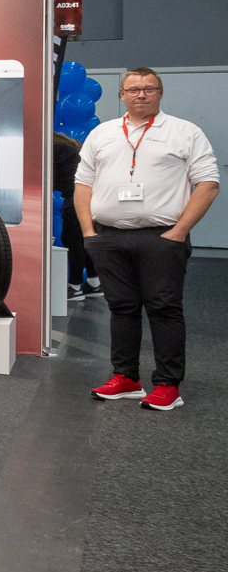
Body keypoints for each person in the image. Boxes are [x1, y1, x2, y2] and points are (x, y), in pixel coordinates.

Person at [78, 68, 219, 411]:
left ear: (160, 93)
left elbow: (209, 184)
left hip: (162, 238)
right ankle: (126, 378)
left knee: (164, 309)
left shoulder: (185, 132)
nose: (141, 95)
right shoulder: (102, 133)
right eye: (133, 89)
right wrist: (89, 233)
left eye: (149, 89)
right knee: (121, 309)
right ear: (121, 95)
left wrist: (178, 232)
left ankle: (168, 384)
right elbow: (83, 185)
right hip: (108, 238)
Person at [53, 131, 89, 300]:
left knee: (72, 240)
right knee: (83, 241)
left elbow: (51, 178)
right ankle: (94, 283)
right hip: (88, 195)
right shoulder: (70, 145)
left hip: (74, 197)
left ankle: (75, 286)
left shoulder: (54, 150)